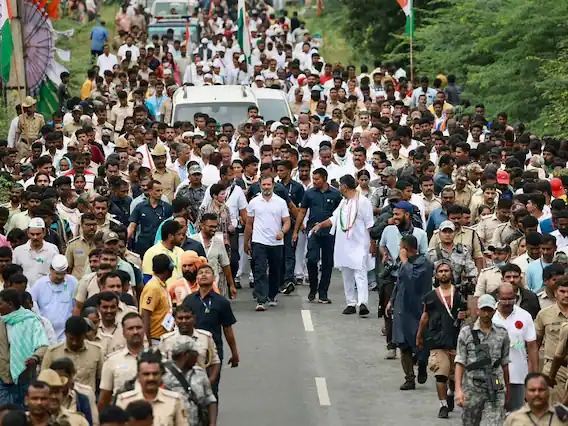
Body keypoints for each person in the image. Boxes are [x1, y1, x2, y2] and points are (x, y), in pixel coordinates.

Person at [311, 174, 374, 316]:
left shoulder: (363, 202)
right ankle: (350, 303)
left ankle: (362, 302)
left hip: (359, 243)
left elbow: (370, 224)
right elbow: (335, 218)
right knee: (347, 273)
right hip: (344, 244)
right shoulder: (343, 202)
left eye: (340, 185)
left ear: (344, 187)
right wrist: (321, 225)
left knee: (360, 272)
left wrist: (372, 243)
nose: (339, 188)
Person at [416, 261, 467, 419]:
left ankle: (451, 392)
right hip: (437, 340)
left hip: (456, 339)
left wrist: (465, 315)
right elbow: (425, 316)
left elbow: (469, 312)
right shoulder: (430, 297)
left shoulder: (459, 294)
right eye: (441, 271)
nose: (444, 273)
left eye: (446, 271)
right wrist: (419, 334)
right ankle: (443, 405)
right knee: (441, 373)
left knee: (453, 375)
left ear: (451, 274)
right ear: (436, 275)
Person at [182, 264, 239, 398]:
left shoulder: (221, 302)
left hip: (213, 351)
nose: (203, 275)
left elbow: (227, 329)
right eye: (200, 273)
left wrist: (234, 353)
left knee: (211, 388)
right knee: (191, 387)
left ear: (214, 278)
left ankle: (210, 417)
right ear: (196, 278)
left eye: (207, 272)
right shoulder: (189, 301)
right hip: (191, 349)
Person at [455, 294, 511, 425]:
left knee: (494, 422)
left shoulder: (502, 333)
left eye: (489, 310)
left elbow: (505, 362)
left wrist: (508, 388)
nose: (486, 313)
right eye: (483, 310)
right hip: (472, 387)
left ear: (494, 310)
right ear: (477, 310)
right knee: (470, 422)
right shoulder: (466, 333)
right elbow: (460, 361)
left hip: (495, 386)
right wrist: (458, 389)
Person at [387, 234, 433, 391]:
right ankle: (409, 378)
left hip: (417, 308)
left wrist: (405, 262)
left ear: (407, 248)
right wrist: (391, 300)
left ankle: (421, 363)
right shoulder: (403, 264)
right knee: (402, 343)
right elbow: (400, 282)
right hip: (402, 308)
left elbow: (412, 280)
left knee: (419, 342)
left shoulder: (424, 264)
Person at [292, 167, 342, 303]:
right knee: (312, 259)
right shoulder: (309, 193)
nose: (314, 181)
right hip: (313, 231)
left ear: (324, 178)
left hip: (330, 233)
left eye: (317, 179)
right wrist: (296, 230)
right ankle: (313, 287)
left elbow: (340, 214)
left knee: (327, 263)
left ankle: (323, 292)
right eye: (313, 179)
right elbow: (302, 212)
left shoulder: (336, 194)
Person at [244, 175, 291, 311]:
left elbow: (287, 221)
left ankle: (272, 295)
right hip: (259, 241)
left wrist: (282, 232)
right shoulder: (254, 202)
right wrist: (246, 242)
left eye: (268, 185)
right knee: (260, 269)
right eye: (264, 185)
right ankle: (261, 299)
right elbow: (249, 223)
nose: (266, 187)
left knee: (276, 270)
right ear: (260, 185)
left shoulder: (280, 202)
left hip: (276, 242)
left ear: (273, 185)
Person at [492, 282, 538, 412]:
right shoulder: (490, 315)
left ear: (516, 298)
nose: (507, 303)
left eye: (510, 299)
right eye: (504, 299)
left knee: (517, 413)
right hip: (495, 377)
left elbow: (532, 347)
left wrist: (533, 374)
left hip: (518, 376)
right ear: (497, 297)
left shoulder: (525, 316)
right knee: (495, 412)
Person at [0, 288, 48, 407]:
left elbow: (43, 345)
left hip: (25, 377)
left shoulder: (31, 321)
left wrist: (35, 357)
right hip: (3, 380)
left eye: (0, 304)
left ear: (10, 304)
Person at [115, 350, 188, 426]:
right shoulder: (124, 401)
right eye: (146, 374)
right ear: (138, 377)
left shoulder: (174, 400)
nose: (151, 378)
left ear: (161, 376)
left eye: (155, 374)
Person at [162, 336, 218, 426]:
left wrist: (212, 423)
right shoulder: (164, 376)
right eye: (195, 354)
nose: (197, 357)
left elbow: (210, 400)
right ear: (186, 354)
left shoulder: (200, 374)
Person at [159, 305, 221, 385]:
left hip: (199, 386)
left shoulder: (205, 337)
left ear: (194, 318)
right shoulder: (166, 340)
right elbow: (159, 366)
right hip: (174, 387)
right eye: (180, 318)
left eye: (187, 318)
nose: (184, 321)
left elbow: (215, 362)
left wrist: (210, 381)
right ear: (175, 320)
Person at [41, 316, 103, 391]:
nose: (74, 343)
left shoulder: (96, 351)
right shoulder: (52, 352)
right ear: (65, 334)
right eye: (71, 339)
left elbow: (101, 380)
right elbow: (43, 381)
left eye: (78, 339)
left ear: (84, 335)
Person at [98, 312, 145, 410]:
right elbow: (104, 398)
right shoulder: (112, 361)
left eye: (139, 327)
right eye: (130, 328)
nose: (135, 331)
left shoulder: (158, 358)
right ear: (123, 332)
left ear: (144, 330)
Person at [29, 255, 78, 342]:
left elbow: (76, 305)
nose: (59, 277)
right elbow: (31, 305)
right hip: (45, 334)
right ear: (51, 270)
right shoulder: (40, 284)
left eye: (62, 274)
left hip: (66, 334)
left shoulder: (72, 282)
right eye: (57, 274)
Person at [190, 213, 236, 299]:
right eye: (211, 226)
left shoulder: (219, 242)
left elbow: (225, 265)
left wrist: (231, 285)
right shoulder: (192, 240)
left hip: (214, 285)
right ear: (202, 225)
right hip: (195, 286)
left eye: (215, 227)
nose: (214, 229)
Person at [538, 275, 568, 404]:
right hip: (553, 369)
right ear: (555, 293)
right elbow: (535, 344)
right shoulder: (544, 314)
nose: (566, 295)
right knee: (555, 412)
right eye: (562, 291)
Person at [139, 254, 174, 345]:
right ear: (168, 269)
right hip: (155, 340)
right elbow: (145, 313)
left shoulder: (161, 285)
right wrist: (148, 342)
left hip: (163, 338)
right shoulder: (153, 287)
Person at [12, 218, 59, 286]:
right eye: (32, 234)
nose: (35, 237)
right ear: (28, 233)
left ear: (44, 233)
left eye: (38, 234)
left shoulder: (52, 249)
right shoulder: (18, 251)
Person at [65, 212, 98, 279]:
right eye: (88, 225)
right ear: (82, 225)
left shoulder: (101, 244)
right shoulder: (73, 244)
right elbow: (68, 269)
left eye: (94, 224)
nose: (92, 227)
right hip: (77, 283)